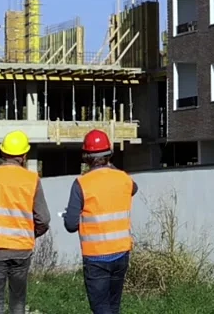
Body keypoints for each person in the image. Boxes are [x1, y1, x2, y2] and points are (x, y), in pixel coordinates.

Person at [0, 130, 51, 314]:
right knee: (18, 302)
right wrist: (29, 233)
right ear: (24, 156)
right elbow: (44, 219)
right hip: (21, 250)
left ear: (2, 153)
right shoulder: (32, 179)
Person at [63, 129, 138, 314]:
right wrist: (110, 167)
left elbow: (71, 225)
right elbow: (133, 188)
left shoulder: (81, 184)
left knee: (101, 309)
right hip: (121, 253)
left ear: (85, 157)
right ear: (109, 154)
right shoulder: (124, 178)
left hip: (96, 257)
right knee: (113, 307)